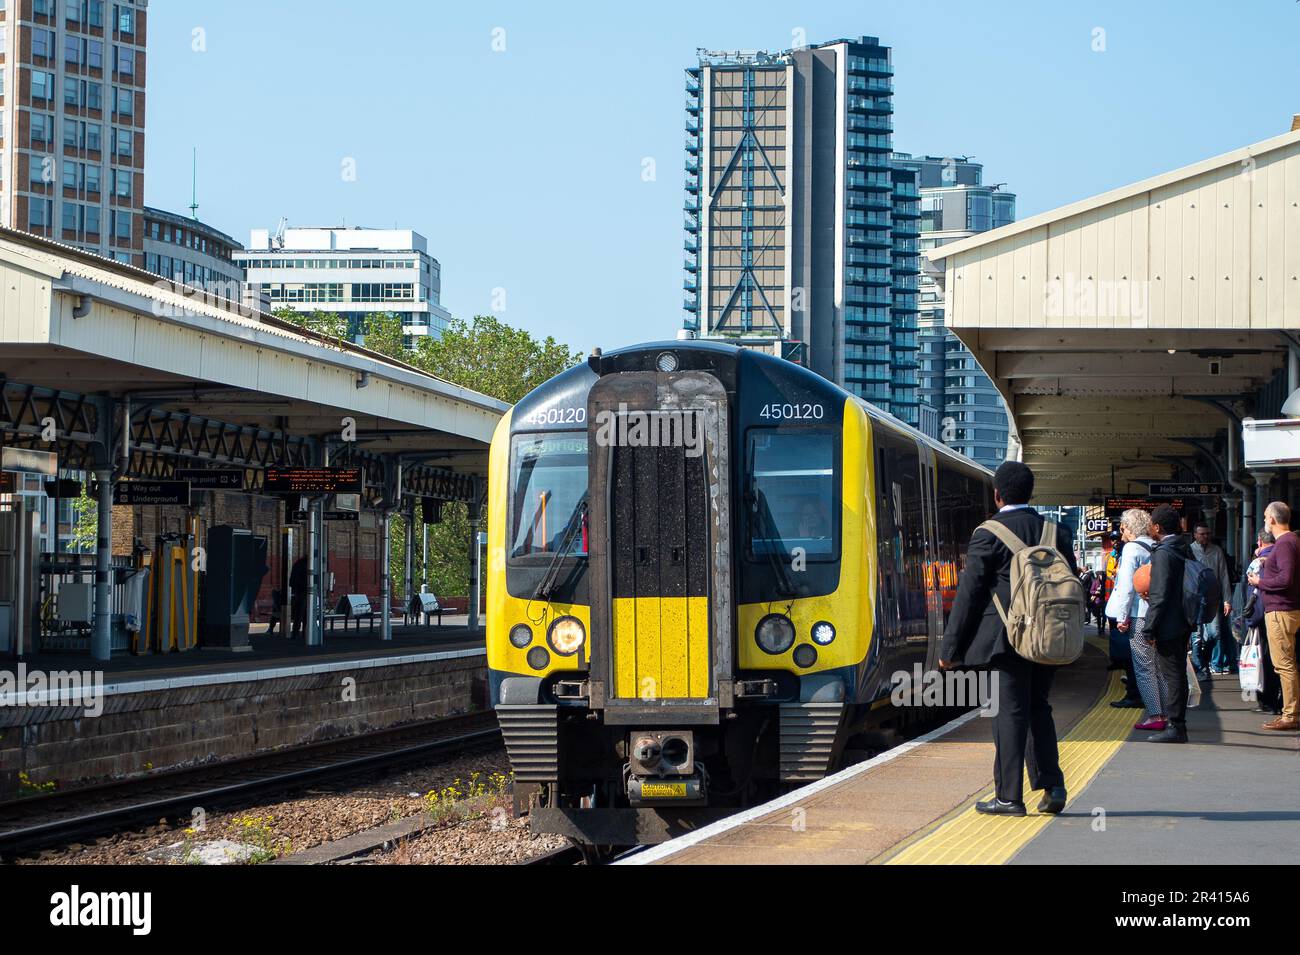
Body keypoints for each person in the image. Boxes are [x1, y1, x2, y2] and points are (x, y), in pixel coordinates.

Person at [940, 460, 1074, 816]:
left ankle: (1008, 797)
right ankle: (1053, 786)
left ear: (997, 494)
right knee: (1038, 708)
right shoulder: (1055, 531)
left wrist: (950, 649)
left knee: (1010, 715)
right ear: (1031, 493)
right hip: (1048, 637)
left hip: (1007, 640)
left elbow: (969, 595)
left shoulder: (988, 533)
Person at [1105, 509, 1166, 728]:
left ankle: (1156, 715)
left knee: (1143, 667)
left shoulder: (1131, 549)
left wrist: (1121, 617)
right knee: (1158, 666)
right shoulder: (1156, 545)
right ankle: (1166, 712)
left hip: (1138, 615)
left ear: (1130, 528)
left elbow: (1126, 588)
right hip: (1158, 614)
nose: (1121, 534)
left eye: (1122, 529)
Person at [1143, 504, 1197, 743]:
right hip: (1183, 618)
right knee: (1177, 674)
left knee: (1173, 675)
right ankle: (1178, 724)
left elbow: (1160, 593)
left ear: (1157, 526)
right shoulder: (1184, 548)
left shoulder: (1164, 552)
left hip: (1168, 622)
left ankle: (1176, 727)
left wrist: (1149, 626)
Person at [1247, 502, 1300, 731]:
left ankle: (1290, 715)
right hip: (1286, 609)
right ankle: (1291, 711)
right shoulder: (1291, 542)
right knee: (1288, 663)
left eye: (1266, 517)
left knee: (1284, 665)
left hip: (1280, 610)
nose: (1265, 521)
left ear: (1272, 519)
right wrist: (1269, 562)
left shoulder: (1285, 542)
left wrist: (1260, 582)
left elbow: (1286, 579)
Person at [1245, 531, 1282, 716]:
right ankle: (1282, 702)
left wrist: (1251, 620)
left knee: (1266, 660)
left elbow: (1254, 596)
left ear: (1259, 541)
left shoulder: (1258, 562)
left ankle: (1268, 702)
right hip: (1283, 613)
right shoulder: (1281, 557)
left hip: (1265, 617)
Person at [1191, 522, 1234, 677]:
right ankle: (1200, 667)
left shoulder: (1216, 551)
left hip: (1213, 599)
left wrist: (1227, 600)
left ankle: (1206, 660)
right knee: (1196, 636)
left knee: (1214, 634)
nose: (1205, 536)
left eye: (1207, 533)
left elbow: (1223, 576)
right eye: (1202, 534)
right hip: (1194, 600)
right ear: (1195, 535)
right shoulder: (1189, 551)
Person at [1103, 531, 1124, 666]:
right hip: (1110, 597)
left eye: (1117, 539)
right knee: (1113, 629)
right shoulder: (1109, 557)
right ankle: (1115, 658)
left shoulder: (1125, 554)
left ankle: (1123, 658)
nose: (1115, 541)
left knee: (1122, 628)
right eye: (1113, 539)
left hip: (1121, 597)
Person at [289, 555, 310, 640]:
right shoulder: (306, 564)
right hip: (304, 591)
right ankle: (303, 632)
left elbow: (293, 579)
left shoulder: (299, 564)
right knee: (304, 613)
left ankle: (296, 632)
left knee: (300, 612)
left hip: (300, 591)